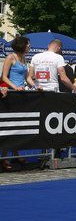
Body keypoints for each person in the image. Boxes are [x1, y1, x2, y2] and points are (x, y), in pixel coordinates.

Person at [1, 36, 35, 170]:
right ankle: (4, 157)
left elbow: (27, 77)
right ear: (22, 45)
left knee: (18, 126)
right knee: (9, 126)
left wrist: (34, 86)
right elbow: (4, 76)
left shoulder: (24, 58)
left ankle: (16, 153)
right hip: (11, 94)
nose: (29, 46)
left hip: (21, 94)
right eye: (28, 44)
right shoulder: (11, 57)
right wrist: (14, 87)